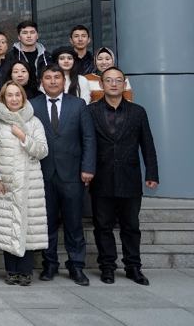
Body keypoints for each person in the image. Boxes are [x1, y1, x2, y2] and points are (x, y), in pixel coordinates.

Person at [89, 67, 159, 286]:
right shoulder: (90, 111)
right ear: (101, 84)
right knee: (103, 225)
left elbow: (147, 143)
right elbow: (85, 144)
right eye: (109, 80)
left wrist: (152, 172)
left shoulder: (138, 111)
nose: (114, 84)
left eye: (118, 80)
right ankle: (107, 267)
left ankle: (133, 267)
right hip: (101, 175)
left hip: (130, 175)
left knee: (130, 225)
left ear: (124, 83)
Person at [31, 65, 96, 286]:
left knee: (73, 223)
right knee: (47, 222)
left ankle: (76, 266)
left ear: (64, 80)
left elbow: (88, 138)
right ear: (41, 82)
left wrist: (88, 168)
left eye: (57, 77)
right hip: (42, 173)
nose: (52, 81)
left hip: (72, 173)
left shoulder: (78, 104)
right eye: (48, 78)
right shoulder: (32, 105)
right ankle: (49, 265)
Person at [0, 81, 49, 287]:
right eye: (9, 95)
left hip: (29, 183)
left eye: (17, 95)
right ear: (3, 99)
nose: (14, 99)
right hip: (5, 183)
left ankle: (25, 272)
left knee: (28, 227)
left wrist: (24, 137)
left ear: (23, 98)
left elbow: (42, 151)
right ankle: (11, 271)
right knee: (7, 227)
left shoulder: (34, 122)